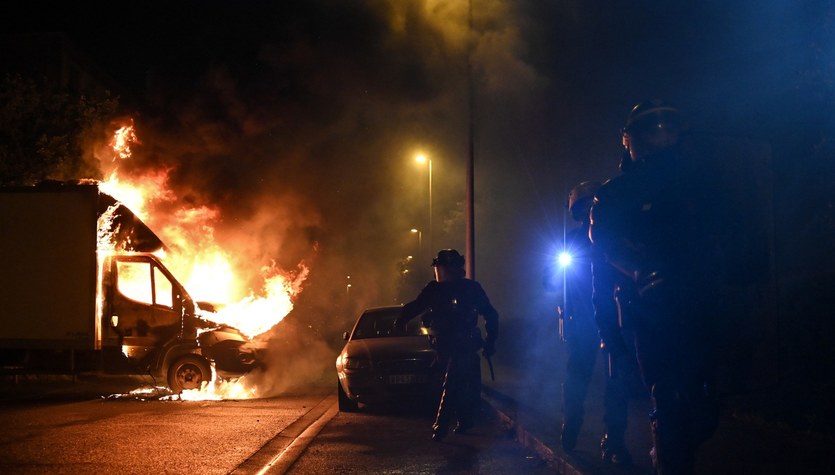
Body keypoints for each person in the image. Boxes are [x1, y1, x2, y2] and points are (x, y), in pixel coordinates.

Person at [590, 100, 721, 474]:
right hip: (648, 312)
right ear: (629, 139)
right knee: (669, 400)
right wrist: (641, 275)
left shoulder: (703, 183)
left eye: (667, 130)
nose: (660, 138)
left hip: (701, 305)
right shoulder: (615, 193)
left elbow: (730, 233)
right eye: (650, 131)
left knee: (705, 409)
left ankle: (667, 451)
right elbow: (606, 244)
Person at [547, 180, 640, 465]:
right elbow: (549, 280)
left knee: (617, 382)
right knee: (577, 377)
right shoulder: (572, 242)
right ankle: (571, 424)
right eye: (586, 207)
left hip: (613, 321)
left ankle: (613, 440)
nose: (591, 211)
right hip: (582, 324)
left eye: (595, 205)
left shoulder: (615, 238)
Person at [396, 249, 499, 441]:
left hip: (464, 345)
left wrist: (491, 341)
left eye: (444, 269)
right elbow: (418, 305)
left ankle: (440, 426)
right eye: (439, 269)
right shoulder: (434, 289)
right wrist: (402, 318)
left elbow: (490, 314)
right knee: (454, 383)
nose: (441, 274)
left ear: (455, 269)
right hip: (443, 346)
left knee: (451, 383)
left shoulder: (471, 289)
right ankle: (464, 420)